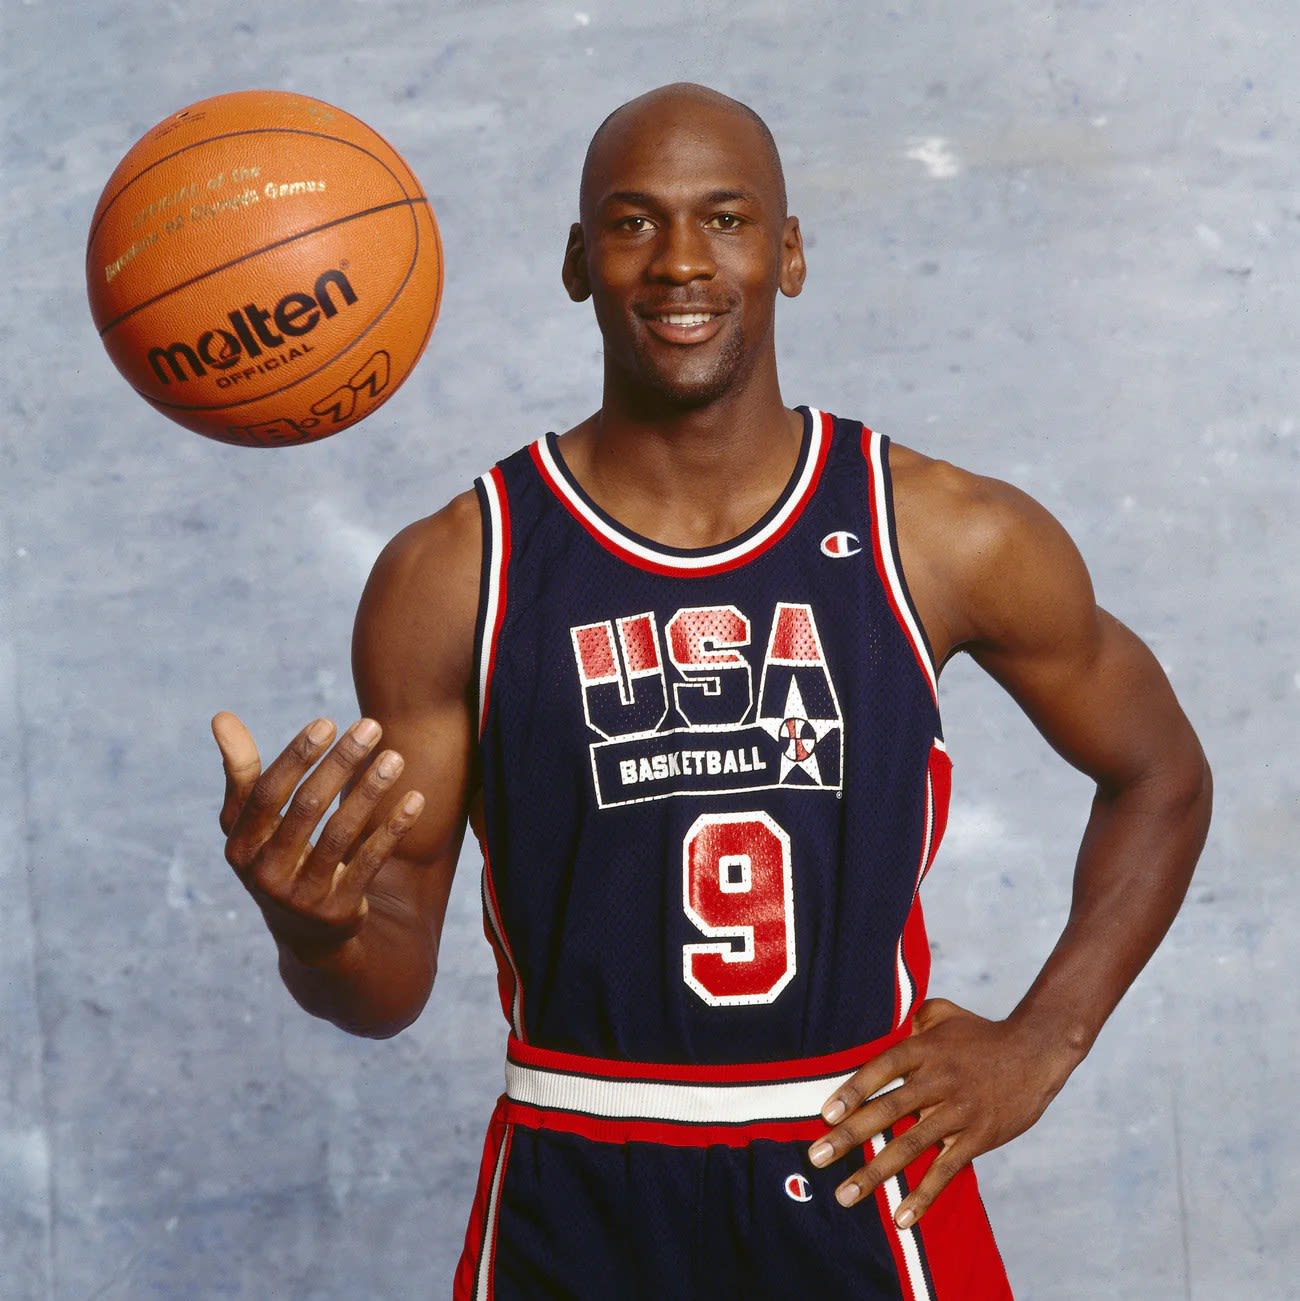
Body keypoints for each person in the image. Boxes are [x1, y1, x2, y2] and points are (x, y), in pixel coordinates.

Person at [212, 83, 1211, 1299]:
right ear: (578, 262)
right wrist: (312, 931)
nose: (680, 260)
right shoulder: (454, 572)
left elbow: (1160, 772)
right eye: (632, 223)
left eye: (725, 218)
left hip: (854, 1168)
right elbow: (385, 987)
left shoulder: (940, 534)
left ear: (787, 252)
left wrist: (1039, 1045)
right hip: (572, 1183)